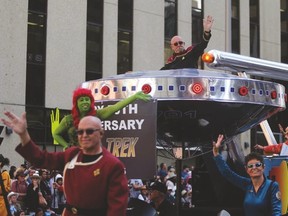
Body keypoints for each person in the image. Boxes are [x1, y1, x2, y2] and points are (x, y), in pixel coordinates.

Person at [1, 111, 129, 216]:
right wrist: (24, 134)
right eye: (80, 132)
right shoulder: (72, 155)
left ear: (101, 133)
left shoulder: (113, 165)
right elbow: (40, 159)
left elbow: (116, 210)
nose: (84, 135)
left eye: (89, 131)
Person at [52, 88, 151, 149]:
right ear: (76, 103)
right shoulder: (69, 119)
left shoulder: (97, 115)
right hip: (74, 156)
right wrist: (65, 145)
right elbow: (56, 134)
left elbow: (114, 107)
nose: (85, 102)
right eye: (81, 100)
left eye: (87, 100)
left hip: (93, 154)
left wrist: (134, 97)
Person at [213, 134, 281, 216]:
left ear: (263, 167)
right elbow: (227, 173)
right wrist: (216, 153)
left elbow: (277, 212)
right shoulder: (247, 184)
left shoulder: (272, 186)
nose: (254, 168)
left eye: (258, 165)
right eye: (250, 166)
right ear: (247, 170)